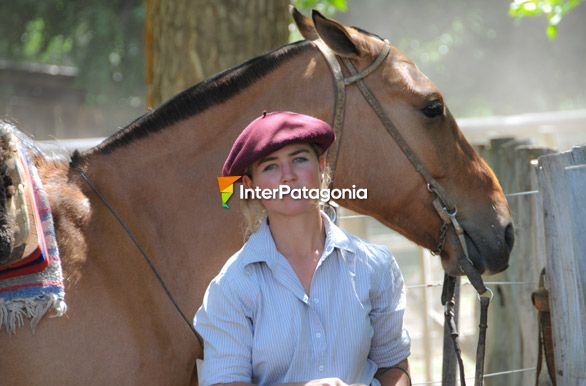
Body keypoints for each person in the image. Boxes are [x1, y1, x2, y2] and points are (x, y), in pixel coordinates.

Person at [194, 111, 411, 386]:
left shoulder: (376, 266)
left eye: (299, 159)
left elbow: (394, 365)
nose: (288, 177)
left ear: (321, 167)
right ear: (251, 186)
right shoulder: (231, 288)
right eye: (270, 167)